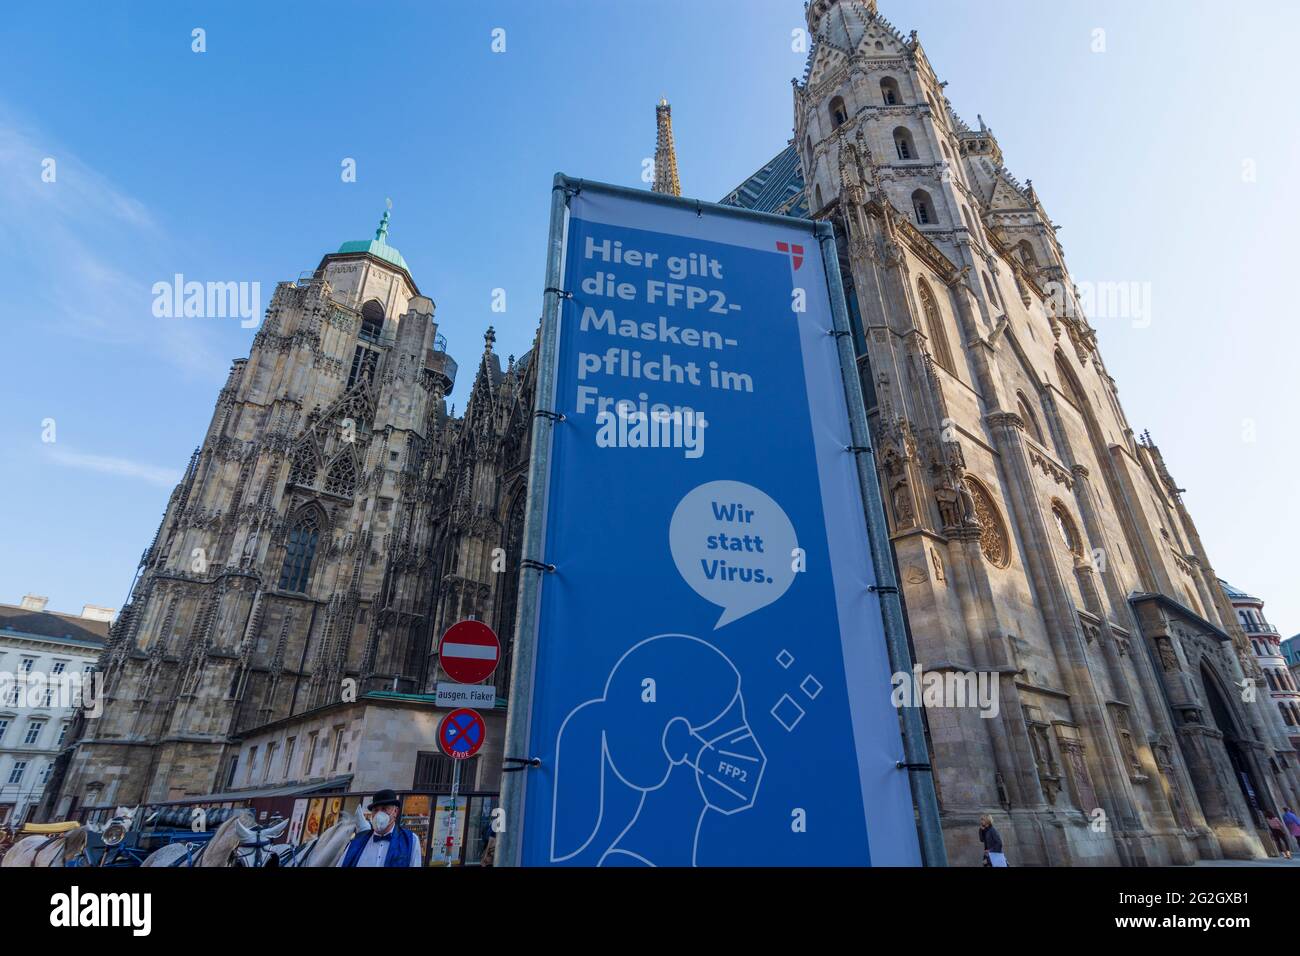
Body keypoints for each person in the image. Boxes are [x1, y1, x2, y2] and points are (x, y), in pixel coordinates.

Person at [337, 790, 422, 867]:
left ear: (395, 811)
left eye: (384, 809)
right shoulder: (357, 841)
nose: (379, 814)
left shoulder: (411, 840)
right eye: (375, 810)